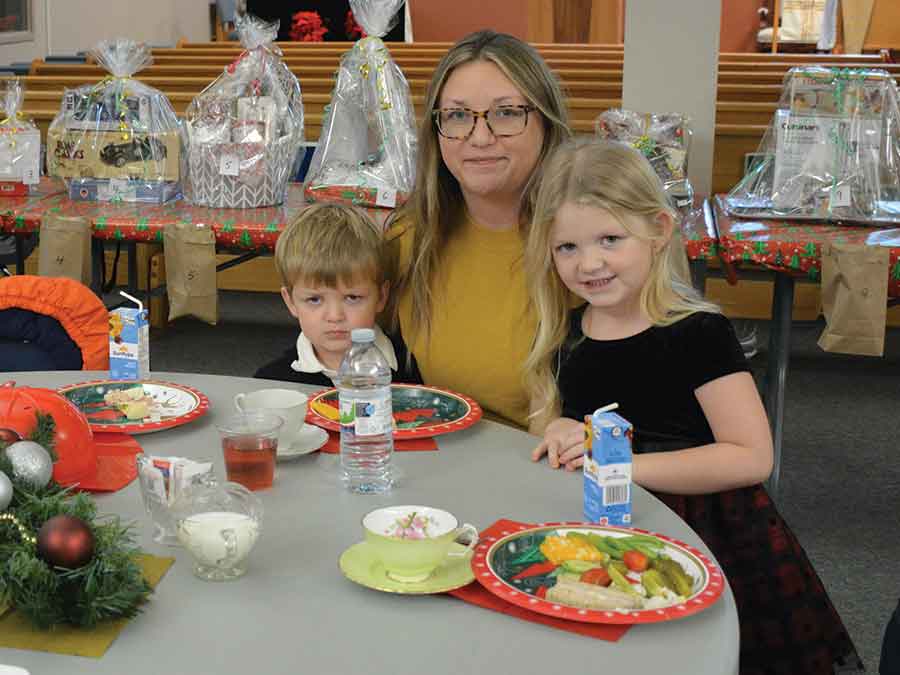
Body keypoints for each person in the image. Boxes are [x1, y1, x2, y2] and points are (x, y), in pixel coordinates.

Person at [524, 138, 862, 675]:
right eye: (567, 247)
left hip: (711, 536)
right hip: (607, 530)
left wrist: (626, 467)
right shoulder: (570, 331)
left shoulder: (697, 333)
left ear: (658, 231)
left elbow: (751, 456)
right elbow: (567, 417)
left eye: (610, 238)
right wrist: (562, 426)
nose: (589, 263)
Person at [387, 30, 570, 428]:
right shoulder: (409, 239)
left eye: (506, 113)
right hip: (439, 460)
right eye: (457, 115)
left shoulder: (586, 246)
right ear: (436, 131)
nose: (480, 137)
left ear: (546, 122)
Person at [255, 203, 419, 386]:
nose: (335, 316)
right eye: (314, 299)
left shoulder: (413, 370)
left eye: (352, 298)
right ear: (290, 301)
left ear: (381, 296)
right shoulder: (272, 382)